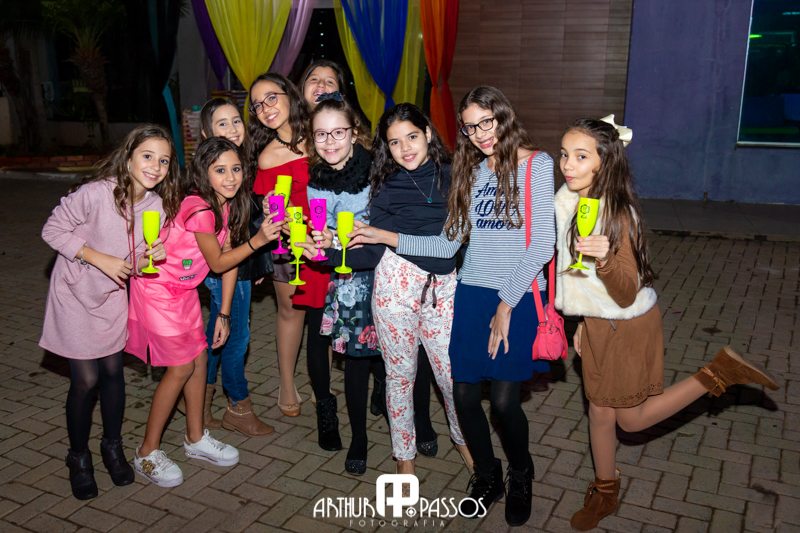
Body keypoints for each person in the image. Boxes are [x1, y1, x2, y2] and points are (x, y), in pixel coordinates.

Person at [556, 117, 780, 531]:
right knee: (600, 413)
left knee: (630, 420)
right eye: (565, 154)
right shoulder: (574, 201)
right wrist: (583, 321)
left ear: (605, 162)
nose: (568, 164)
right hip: (600, 324)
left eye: (581, 156)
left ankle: (716, 373)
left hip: (626, 327)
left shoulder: (619, 216)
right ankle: (606, 491)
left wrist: (605, 259)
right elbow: (578, 281)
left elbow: (625, 292)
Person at [348, 87, 554, 526]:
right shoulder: (472, 173)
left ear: (504, 116)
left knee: (504, 403)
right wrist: (383, 236)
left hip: (516, 295)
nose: (480, 133)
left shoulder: (536, 164)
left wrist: (506, 305)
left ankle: (521, 473)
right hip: (472, 292)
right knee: (463, 394)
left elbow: (542, 245)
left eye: (486, 122)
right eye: (470, 126)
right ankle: (488, 475)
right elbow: (446, 245)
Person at [307, 103, 473, 481]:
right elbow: (370, 252)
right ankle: (404, 456)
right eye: (395, 142)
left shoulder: (456, 176)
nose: (405, 148)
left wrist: (382, 234)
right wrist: (324, 253)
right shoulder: (383, 185)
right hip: (395, 284)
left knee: (451, 376)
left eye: (412, 137)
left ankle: (465, 442)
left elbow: (448, 246)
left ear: (427, 133)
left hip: (443, 288)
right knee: (399, 376)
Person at [126, 137, 282, 487]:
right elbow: (218, 262)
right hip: (157, 290)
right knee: (181, 367)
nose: (231, 177)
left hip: (183, 291)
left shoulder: (228, 204)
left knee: (198, 359)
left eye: (236, 169)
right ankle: (146, 452)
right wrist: (258, 241)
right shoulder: (199, 209)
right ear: (203, 173)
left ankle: (195, 439)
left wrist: (224, 313)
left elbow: (229, 260)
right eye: (220, 170)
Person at [40, 124, 180, 500]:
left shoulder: (156, 206)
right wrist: (98, 257)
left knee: (114, 372)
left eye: (164, 160)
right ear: (128, 157)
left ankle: (112, 447)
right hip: (74, 293)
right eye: (147, 156)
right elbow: (52, 230)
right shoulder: (95, 193)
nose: (155, 166)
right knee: (86, 380)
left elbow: (136, 263)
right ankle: (78, 457)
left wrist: (154, 256)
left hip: (111, 295)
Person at [300, 94, 386, 474]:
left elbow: (387, 226)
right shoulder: (316, 179)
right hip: (348, 276)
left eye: (338, 132)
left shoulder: (378, 171)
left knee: (388, 352)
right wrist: (319, 240)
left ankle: (389, 397)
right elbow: (326, 231)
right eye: (321, 134)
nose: (330, 141)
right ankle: (359, 438)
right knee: (354, 357)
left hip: (384, 271)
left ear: (354, 132)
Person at [248, 72, 329, 417]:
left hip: (327, 235)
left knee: (324, 310)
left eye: (271, 97)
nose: (265, 108)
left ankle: (320, 382)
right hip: (289, 241)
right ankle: (285, 383)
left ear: (289, 95)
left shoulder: (322, 133)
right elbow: (274, 205)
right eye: (257, 105)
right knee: (290, 310)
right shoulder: (268, 157)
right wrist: (271, 209)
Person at [198, 97, 274, 436]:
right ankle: (238, 407)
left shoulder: (240, 163)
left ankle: (199, 401)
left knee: (219, 332)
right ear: (206, 134)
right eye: (222, 123)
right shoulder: (213, 180)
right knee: (235, 336)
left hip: (240, 261)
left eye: (236, 121)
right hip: (227, 265)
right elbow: (224, 245)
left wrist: (258, 263)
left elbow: (246, 221)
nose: (232, 129)